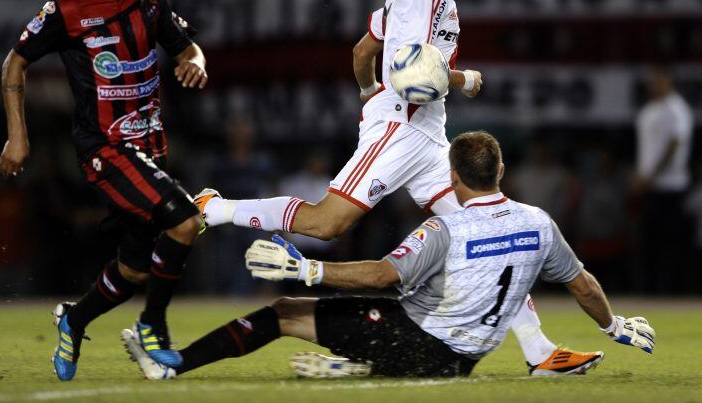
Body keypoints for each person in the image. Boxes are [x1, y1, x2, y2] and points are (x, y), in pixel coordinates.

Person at [194, 0, 599, 374]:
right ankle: (214, 208)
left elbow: (363, 50)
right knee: (327, 224)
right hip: (401, 128)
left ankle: (540, 352)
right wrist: (463, 79)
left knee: (489, 230)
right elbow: (412, 74)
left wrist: (368, 92)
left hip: (427, 134)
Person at [122, 131, 656, 380]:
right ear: (500, 174)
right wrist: (614, 327)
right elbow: (583, 285)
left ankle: (173, 365)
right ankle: (359, 365)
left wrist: (308, 268)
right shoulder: (539, 222)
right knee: (407, 303)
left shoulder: (445, 228)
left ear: (452, 177)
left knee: (286, 312)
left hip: (423, 346)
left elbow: (381, 275)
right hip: (463, 358)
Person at [0, 0, 207, 381]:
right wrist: (17, 134)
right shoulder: (68, 10)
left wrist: (196, 62)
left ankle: (74, 319)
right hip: (106, 148)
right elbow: (14, 63)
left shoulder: (151, 1)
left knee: (133, 271)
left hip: (150, 147)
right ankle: (152, 328)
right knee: (187, 221)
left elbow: (187, 46)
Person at [633, 67, 693, 292]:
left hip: (671, 187)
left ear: (668, 80)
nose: (655, 84)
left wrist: (651, 176)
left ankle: (674, 293)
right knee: (649, 243)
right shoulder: (650, 109)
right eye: (653, 80)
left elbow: (674, 145)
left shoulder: (677, 109)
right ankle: (651, 292)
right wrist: (641, 175)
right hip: (650, 187)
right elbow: (647, 150)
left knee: (670, 244)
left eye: (659, 79)